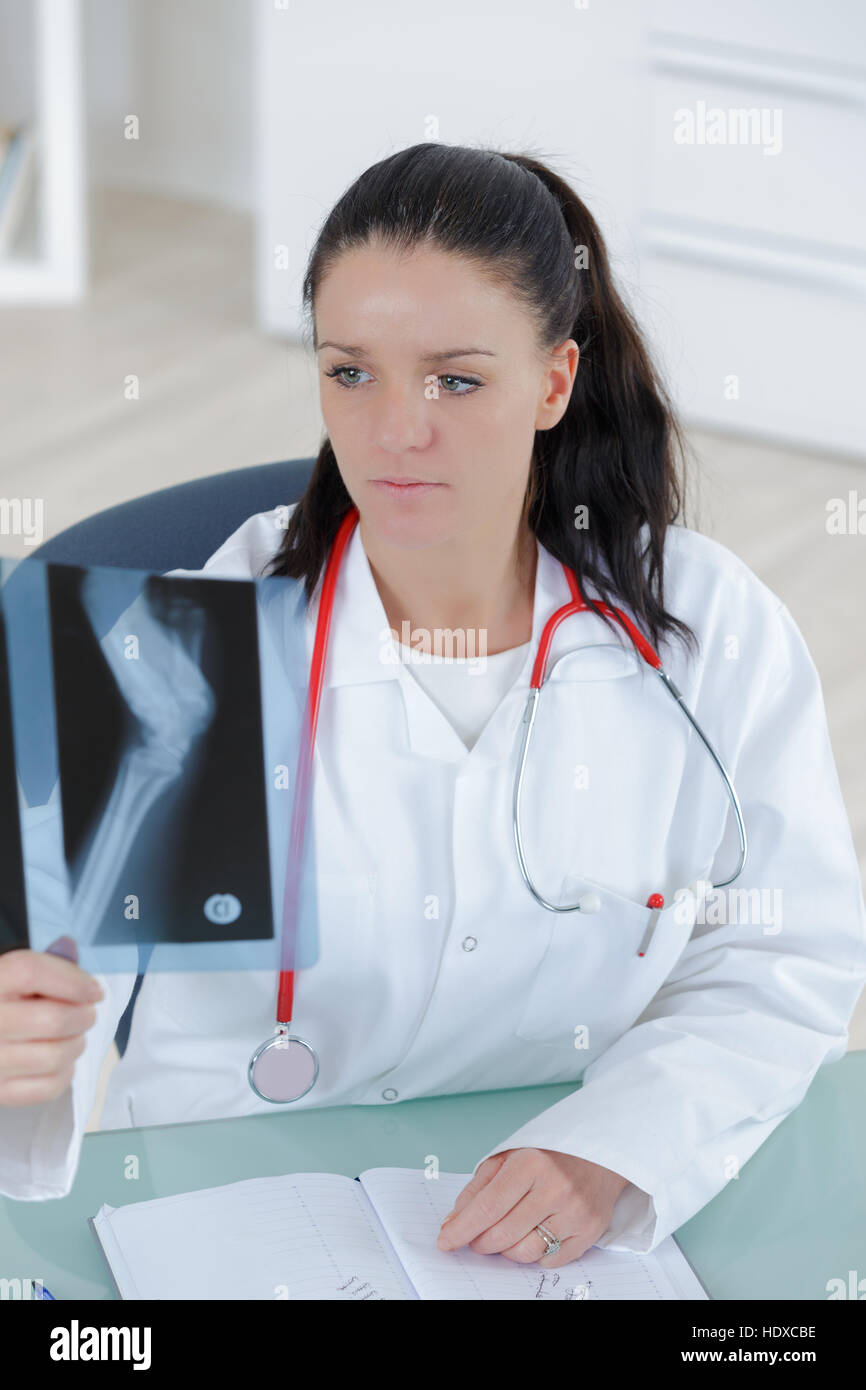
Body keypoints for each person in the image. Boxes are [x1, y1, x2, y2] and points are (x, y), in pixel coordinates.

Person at [1, 144, 864, 1272]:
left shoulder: (708, 633)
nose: (393, 431)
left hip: (551, 1225)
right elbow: (58, 1011)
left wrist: (618, 1148)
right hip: (230, 1213)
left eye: (454, 379)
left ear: (553, 382)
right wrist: (25, 1055)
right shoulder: (187, 641)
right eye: (349, 372)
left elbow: (780, 955)